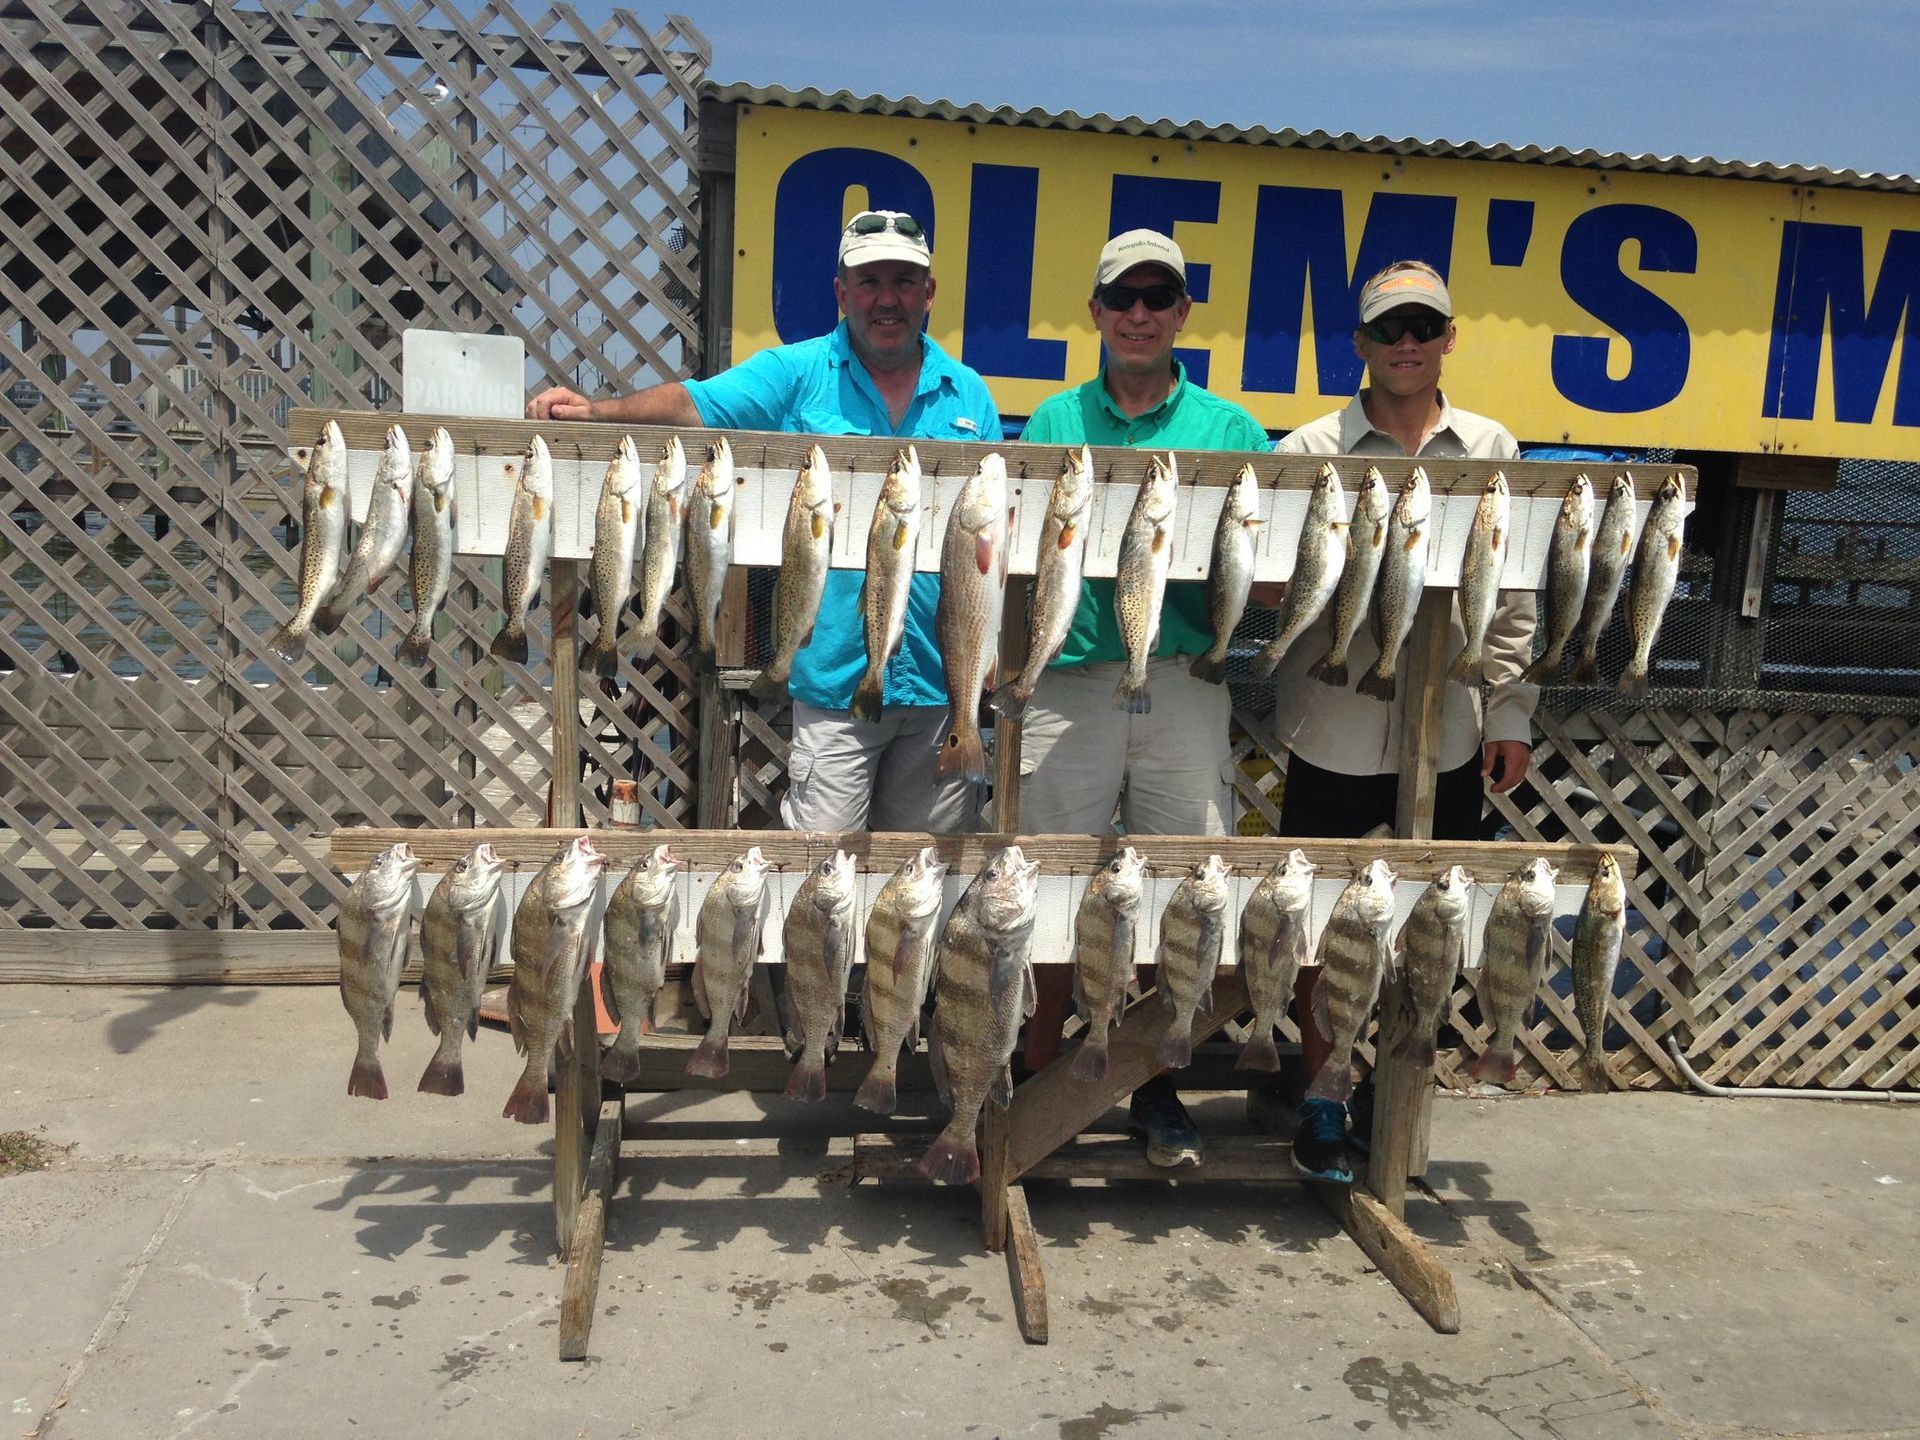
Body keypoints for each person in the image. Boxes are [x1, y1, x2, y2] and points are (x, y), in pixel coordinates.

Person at [529, 210, 1002, 833]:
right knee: (819, 880)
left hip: (943, 688)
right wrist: (595, 412)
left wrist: (991, 658)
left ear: (930, 292)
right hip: (834, 687)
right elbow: (691, 405)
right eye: (869, 281)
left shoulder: (970, 396)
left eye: (905, 281)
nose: (887, 299)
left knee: (923, 887)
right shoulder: (795, 374)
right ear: (841, 293)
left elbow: (994, 561)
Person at [1265, 258, 1539, 1183]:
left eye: (1424, 326)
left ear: (1450, 337)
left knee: (1431, 925)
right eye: (1390, 329)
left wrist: (1510, 712)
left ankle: (1397, 1097)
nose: (1408, 343)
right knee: (1320, 928)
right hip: (1331, 728)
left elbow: (1519, 600)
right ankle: (1320, 1099)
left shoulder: (1495, 448)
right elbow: (1280, 585)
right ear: (1361, 345)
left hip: (1450, 734)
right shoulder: (1309, 450)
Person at [1016, 229, 1270, 1168]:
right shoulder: (1050, 424)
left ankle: (1152, 1086)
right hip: (1071, 677)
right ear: (1095, 311)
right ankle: (1034, 1087)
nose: (1139, 314)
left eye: (1158, 297)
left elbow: (1270, 568)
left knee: (1183, 889)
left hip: (1186, 677)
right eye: (1123, 297)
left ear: (1182, 316)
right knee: (1046, 888)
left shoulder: (1233, 433)